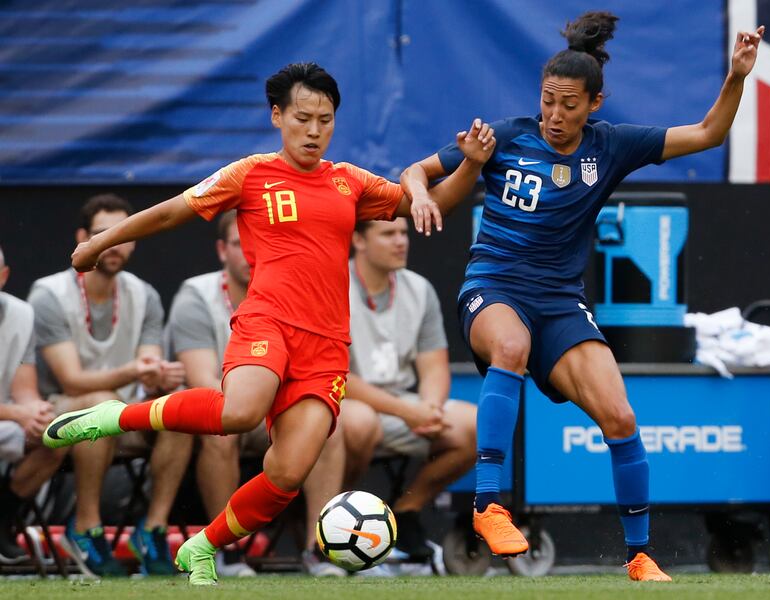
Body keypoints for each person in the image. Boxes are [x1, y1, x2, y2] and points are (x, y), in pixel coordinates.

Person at [42, 62, 495, 585]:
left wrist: (471, 164)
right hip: (268, 321)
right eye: (302, 118)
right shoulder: (250, 174)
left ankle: (203, 547)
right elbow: (170, 212)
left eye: (325, 120)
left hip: (326, 347)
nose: (314, 131)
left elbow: (433, 203)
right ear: (277, 116)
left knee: (287, 473)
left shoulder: (349, 181)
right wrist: (102, 242)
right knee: (239, 411)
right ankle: (117, 416)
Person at [401, 12, 765, 582]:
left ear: (593, 104)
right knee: (511, 347)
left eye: (569, 105)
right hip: (493, 286)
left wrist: (737, 76)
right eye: (547, 101)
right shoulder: (506, 136)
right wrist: (422, 195)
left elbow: (707, 134)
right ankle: (488, 506)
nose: (554, 115)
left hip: (559, 304)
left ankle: (639, 556)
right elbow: (415, 172)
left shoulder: (612, 146)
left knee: (620, 416)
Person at [167, 210, 347, 577]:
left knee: (330, 425)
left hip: (282, 408)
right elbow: (202, 380)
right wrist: (251, 403)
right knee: (223, 428)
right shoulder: (196, 295)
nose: (251, 252)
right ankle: (225, 551)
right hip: (237, 411)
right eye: (239, 244)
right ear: (222, 250)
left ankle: (319, 548)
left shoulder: (305, 289)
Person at [28, 194, 187, 577]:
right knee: (99, 404)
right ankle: (85, 527)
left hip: (122, 412)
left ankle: (153, 529)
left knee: (179, 405)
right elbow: (71, 380)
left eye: (123, 235)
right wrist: (136, 371)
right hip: (56, 413)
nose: (113, 244)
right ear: (81, 238)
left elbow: (148, 365)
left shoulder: (144, 294)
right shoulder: (49, 294)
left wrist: (158, 375)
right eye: (102, 234)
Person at [341, 218, 476, 563]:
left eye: (404, 233)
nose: (401, 241)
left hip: (402, 405)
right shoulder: (332, 285)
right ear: (358, 240)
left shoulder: (418, 288)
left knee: (475, 425)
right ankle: (340, 523)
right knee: (359, 422)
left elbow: (433, 366)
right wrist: (408, 412)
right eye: (388, 234)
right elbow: (335, 376)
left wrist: (430, 408)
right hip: (343, 405)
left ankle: (405, 512)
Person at [0, 245, 67, 564]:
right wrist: (18, 413)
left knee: (56, 436)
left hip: (5, 420)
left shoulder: (21, 314)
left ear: (3, 277)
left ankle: (3, 519)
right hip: (7, 416)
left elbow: (24, 388)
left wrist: (36, 412)